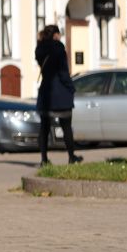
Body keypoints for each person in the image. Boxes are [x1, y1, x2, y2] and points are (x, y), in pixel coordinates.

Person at [34, 24, 82, 167]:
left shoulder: (39, 49)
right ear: (55, 35)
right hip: (60, 92)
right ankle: (71, 157)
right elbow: (63, 72)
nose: (60, 36)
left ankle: (44, 159)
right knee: (66, 127)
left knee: (44, 128)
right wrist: (71, 87)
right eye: (59, 34)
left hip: (45, 91)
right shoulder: (59, 48)